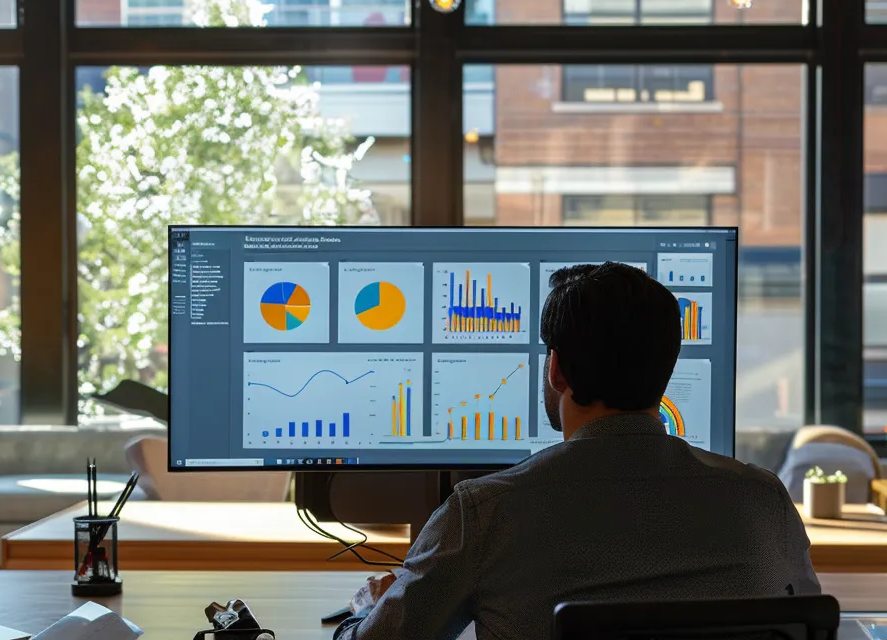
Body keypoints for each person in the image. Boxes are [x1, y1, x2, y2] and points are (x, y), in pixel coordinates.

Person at [334, 262, 819, 640]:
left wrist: (369, 610)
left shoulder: (485, 512)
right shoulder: (762, 499)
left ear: (556, 371)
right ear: (668, 368)